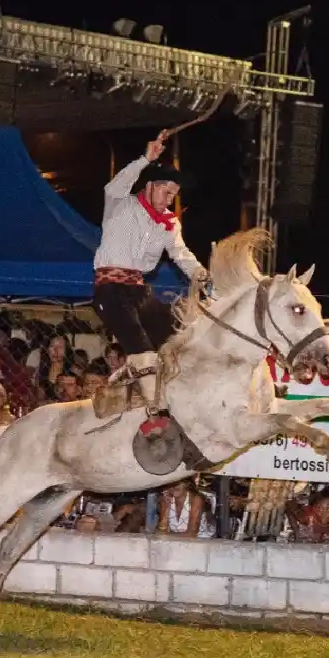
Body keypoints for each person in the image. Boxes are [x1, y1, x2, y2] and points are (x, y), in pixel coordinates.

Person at [91, 131, 207, 437]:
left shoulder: (170, 222)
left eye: (174, 195)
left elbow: (181, 253)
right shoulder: (120, 204)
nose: (170, 200)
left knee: (173, 341)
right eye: (166, 192)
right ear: (150, 185)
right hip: (110, 289)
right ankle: (157, 415)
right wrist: (146, 159)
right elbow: (117, 183)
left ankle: (178, 395)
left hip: (140, 291)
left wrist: (199, 272)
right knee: (141, 347)